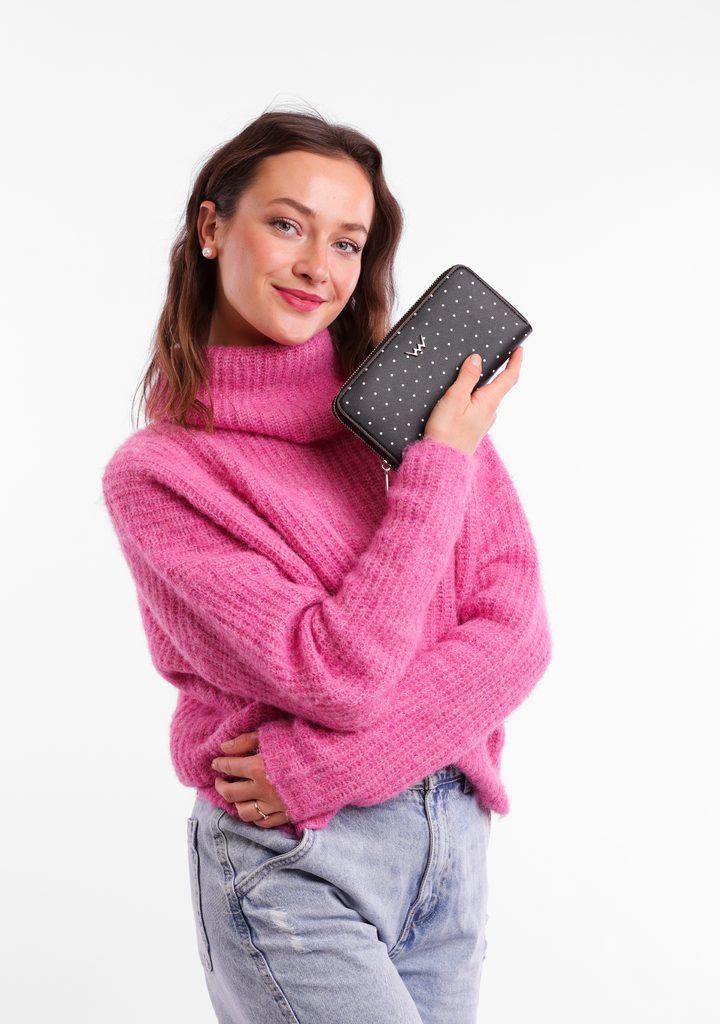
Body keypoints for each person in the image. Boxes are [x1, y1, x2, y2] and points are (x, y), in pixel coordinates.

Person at [102, 107, 552, 1024]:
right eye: (287, 224)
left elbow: (519, 637)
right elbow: (337, 672)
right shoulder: (164, 476)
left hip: (451, 844)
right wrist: (438, 467)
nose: (318, 267)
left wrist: (324, 764)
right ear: (211, 226)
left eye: (347, 242)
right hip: (296, 861)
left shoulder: (419, 408)